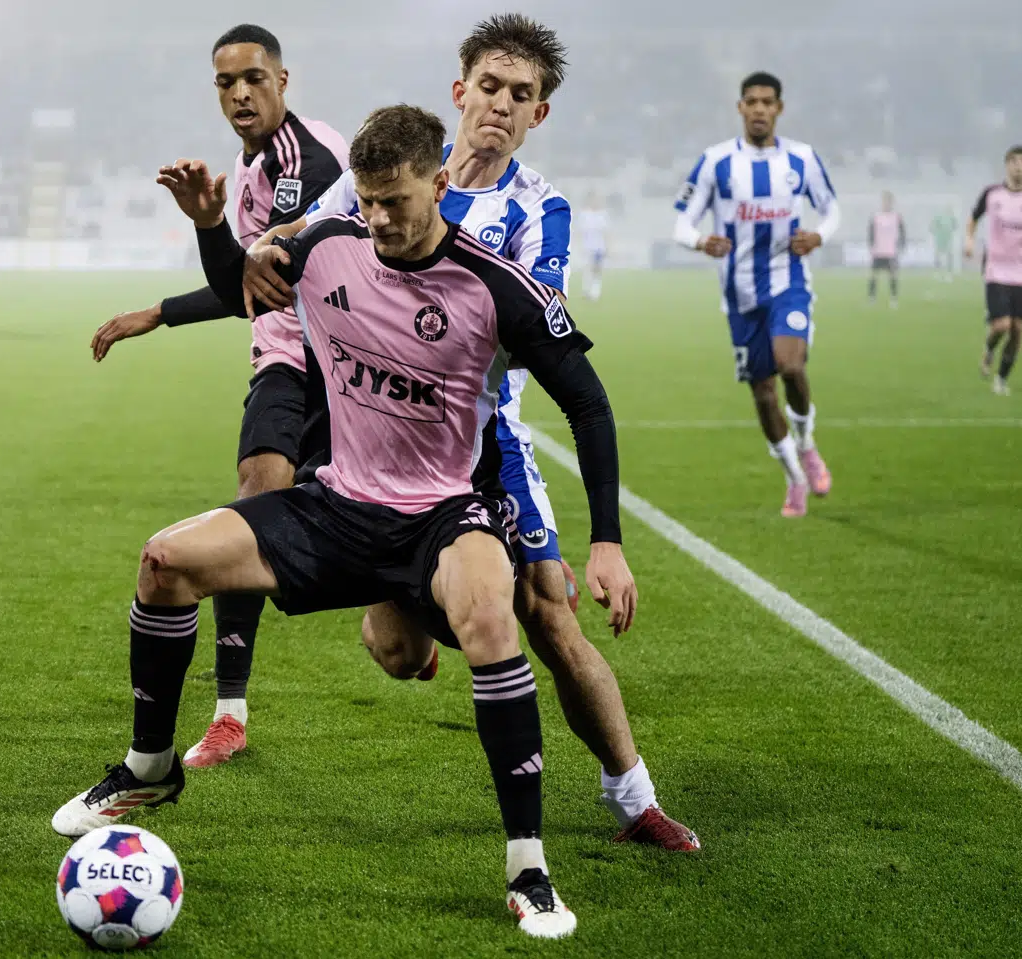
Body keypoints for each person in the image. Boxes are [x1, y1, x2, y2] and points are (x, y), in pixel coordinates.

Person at [56, 105, 641, 939]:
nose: (378, 220)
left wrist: (608, 539)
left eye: (395, 202)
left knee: (490, 616)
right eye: (366, 201)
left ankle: (528, 866)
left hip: (442, 513)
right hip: (336, 503)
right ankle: (150, 768)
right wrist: (214, 226)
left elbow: (587, 401)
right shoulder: (331, 240)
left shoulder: (495, 286)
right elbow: (240, 290)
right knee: (164, 561)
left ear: (438, 184)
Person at [242, 13, 695, 850]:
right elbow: (300, 240)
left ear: (539, 116)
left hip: (487, 442)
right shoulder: (384, 176)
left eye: (522, 95)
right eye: (489, 86)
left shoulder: (539, 211)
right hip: (374, 443)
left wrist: (606, 540)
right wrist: (264, 244)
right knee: (395, 649)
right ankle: (420, 601)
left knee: (549, 615)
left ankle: (635, 798)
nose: (501, 105)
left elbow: (526, 321)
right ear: (459, 92)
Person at [89, 23, 349, 768]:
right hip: (286, 357)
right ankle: (229, 712)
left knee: (393, 616)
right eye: (225, 83)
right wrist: (162, 308)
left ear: (282, 80)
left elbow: (252, 280)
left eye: (253, 79)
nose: (239, 93)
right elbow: (250, 290)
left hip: (347, 364)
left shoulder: (306, 160)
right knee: (255, 499)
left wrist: (185, 271)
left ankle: (407, 620)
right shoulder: (255, 163)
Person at [673, 71, 840, 518]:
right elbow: (681, 222)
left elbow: (833, 209)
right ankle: (793, 478)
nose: (760, 109)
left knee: (791, 365)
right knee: (763, 395)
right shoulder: (715, 162)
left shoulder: (802, 159)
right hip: (740, 296)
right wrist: (699, 242)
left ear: (779, 108)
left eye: (768, 101)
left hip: (789, 285)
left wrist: (819, 236)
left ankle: (806, 444)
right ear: (741, 108)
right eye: (752, 101)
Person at [966, 145, 1022, 395]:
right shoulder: (992, 194)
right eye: (1013, 161)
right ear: (1006, 165)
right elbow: (973, 217)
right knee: (1001, 325)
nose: (1018, 166)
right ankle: (990, 348)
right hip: (996, 269)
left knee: (1017, 330)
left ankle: (1001, 379)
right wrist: (969, 239)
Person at [867, 191, 905, 307]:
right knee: (873, 275)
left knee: (893, 275)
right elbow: (871, 231)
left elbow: (902, 231)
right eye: (884, 201)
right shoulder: (876, 216)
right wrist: (871, 244)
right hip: (878, 250)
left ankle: (893, 299)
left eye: (888, 201)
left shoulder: (896, 217)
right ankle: (872, 298)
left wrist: (902, 244)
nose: (886, 204)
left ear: (891, 203)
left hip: (891, 251)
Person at [578, 191, 609, 300]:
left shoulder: (602, 215)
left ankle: (595, 293)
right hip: (587, 247)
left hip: (599, 247)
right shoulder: (585, 215)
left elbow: (606, 232)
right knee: (588, 269)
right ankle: (586, 291)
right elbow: (580, 231)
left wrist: (608, 247)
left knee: (597, 270)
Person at [931, 208, 957, 281]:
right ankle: (937, 273)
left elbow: (955, 227)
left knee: (949, 257)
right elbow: (933, 226)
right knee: (938, 256)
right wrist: (935, 231)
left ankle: (949, 274)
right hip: (940, 240)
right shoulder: (939, 218)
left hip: (948, 240)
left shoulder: (952, 219)